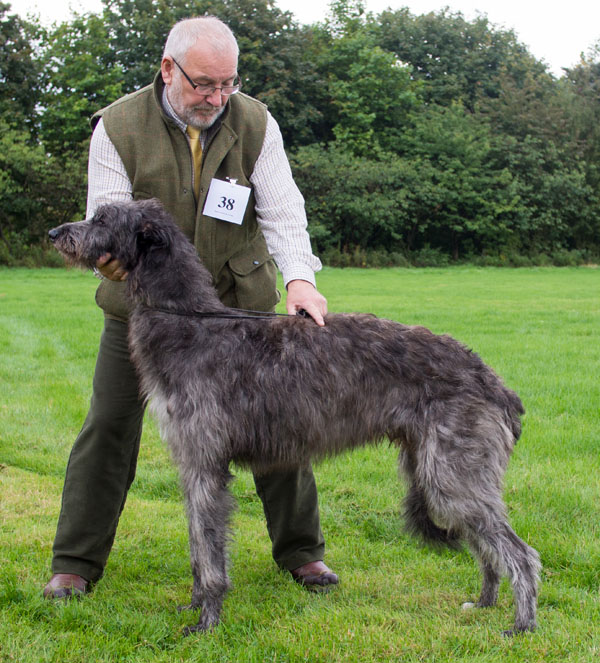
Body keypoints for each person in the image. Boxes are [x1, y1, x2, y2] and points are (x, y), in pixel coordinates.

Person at [43, 16, 338, 600]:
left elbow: (283, 209)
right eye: (205, 83)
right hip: (146, 313)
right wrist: (114, 264)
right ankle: (75, 561)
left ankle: (302, 554)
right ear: (168, 69)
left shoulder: (255, 122)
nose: (218, 97)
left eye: (228, 83)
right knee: (108, 424)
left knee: (278, 423)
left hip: (238, 303)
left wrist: (300, 280)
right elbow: (108, 221)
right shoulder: (118, 126)